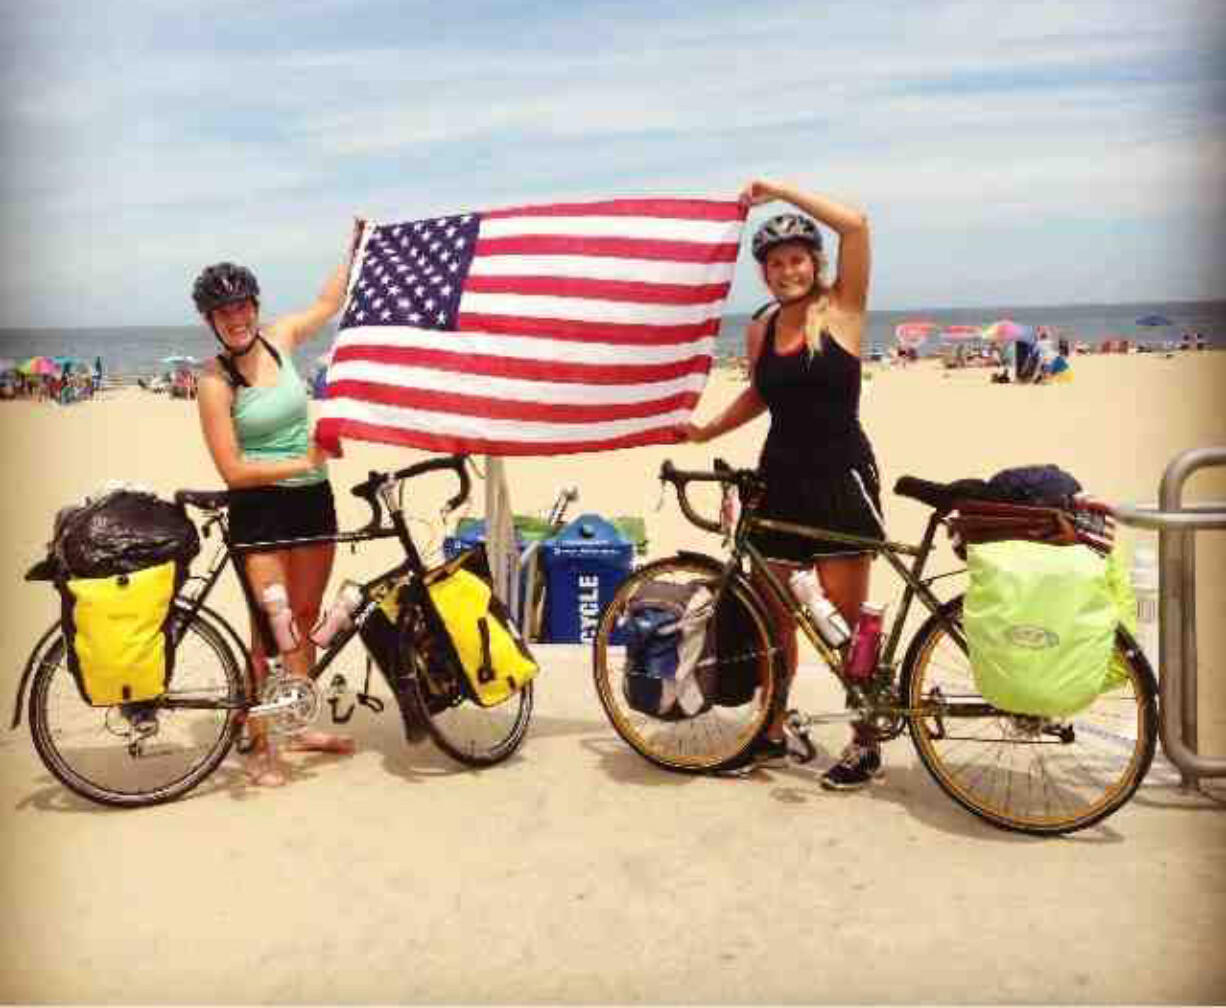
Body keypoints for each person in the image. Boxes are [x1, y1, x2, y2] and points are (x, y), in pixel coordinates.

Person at [680, 179, 885, 790]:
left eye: (797, 259)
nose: (787, 270)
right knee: (775, 622)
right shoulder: (762, 327)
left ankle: (865, 739)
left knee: (844, 625)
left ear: (814, 263)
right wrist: (707, 432)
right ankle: (770, 730)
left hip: (840, 479)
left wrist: (779, 192)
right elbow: (758, 395)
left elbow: (857, 223)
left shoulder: (843, 309)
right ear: (764, 275)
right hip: (779, 481)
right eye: (774, 264)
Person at [192, 230, 359, 787]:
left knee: (307, 619)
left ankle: (296, 723)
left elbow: (328, 304)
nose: (235, 317)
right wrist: (303, 458)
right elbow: (233, 470)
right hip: (259, 510)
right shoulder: (214, 381)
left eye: (241, 305)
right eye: (222, 311)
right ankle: (259, 740)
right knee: (272, 626)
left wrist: (357, 247)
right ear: (210, 321)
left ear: (255, 307)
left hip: (314, 501)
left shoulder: (281, 338)